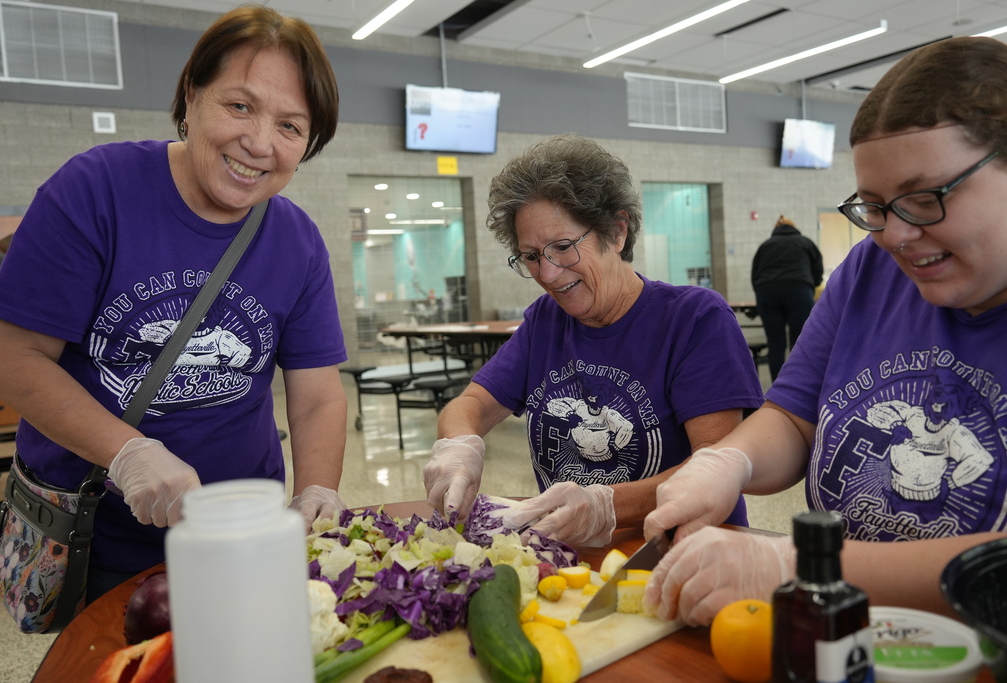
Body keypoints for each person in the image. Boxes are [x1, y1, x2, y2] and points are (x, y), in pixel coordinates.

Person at [0, 6, 348, 601]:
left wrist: (317, 491)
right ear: (191, 93)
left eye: (290, 126)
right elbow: (9, 356)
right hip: (98, 541)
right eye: (240, 105)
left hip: (240, 533)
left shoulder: (297, 239)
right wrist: (127, 453)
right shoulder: (96, 190)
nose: (258, 143)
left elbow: (318, 395)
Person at [642, 36, 1007, 627]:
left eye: (923, 198)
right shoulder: (871, 269)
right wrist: (727, 461)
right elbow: (793, 417)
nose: (895, 234)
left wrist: (806, 568)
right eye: (874, 206)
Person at [422, 134, 764, 548]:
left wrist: (607, 505)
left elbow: (717, 466)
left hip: (683, 553)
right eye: (530, 256)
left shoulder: (694, 320)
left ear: (616, 232)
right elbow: (471, 404)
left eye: (563, 247)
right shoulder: (546, 321)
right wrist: (459, 447)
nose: (547, 275)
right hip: (572, 562)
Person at [750, 215, 823, 380]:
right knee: (799, 342)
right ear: (794, 227)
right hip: (798, 291)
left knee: (775, 343)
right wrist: (811, 285)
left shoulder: (765, 246)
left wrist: (762, 295)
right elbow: (818, 268)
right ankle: (798, 384)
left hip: (767, 293)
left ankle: (777, 388)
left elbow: (755, 275)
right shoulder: (805, 242)